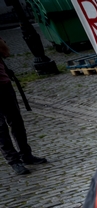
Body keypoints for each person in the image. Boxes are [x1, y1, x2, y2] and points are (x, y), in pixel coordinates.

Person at [0, 37, 46, 176]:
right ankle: (14, 161)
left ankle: (26, 155)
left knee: (16, 122)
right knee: (1, 127)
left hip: (4, 85)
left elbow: (5, 52)